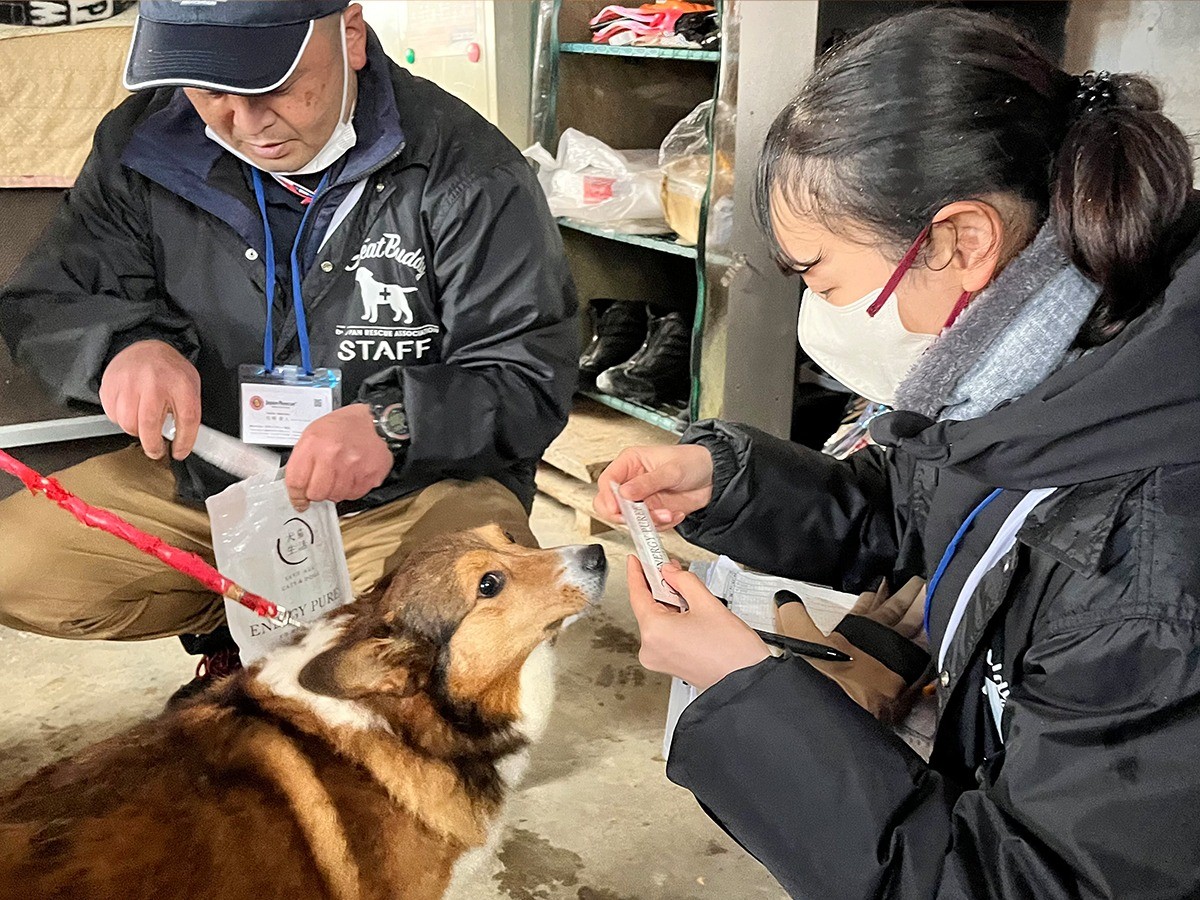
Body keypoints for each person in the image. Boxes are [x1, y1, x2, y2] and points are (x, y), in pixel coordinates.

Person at [596, 10, 1200, 898]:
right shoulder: (1046, 366)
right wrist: (728, 483)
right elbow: (931, 510)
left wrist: (747, 694)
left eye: (825, 279)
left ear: (961, 241)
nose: (822, 316)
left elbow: (1013, 884)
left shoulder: (1144, 580)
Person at [0, 0, 576, 691]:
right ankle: (241, 634)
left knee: (462, 623)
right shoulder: (143, 146)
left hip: (406, 491)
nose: (243, 123)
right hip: (209, 483)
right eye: (210, 88)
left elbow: (526, 375)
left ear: (351, 35)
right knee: (18, 565)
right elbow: (55, 297)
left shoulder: (468, 171)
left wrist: (394, 423)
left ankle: (322, 666)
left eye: (270, 84)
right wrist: (122, 348)